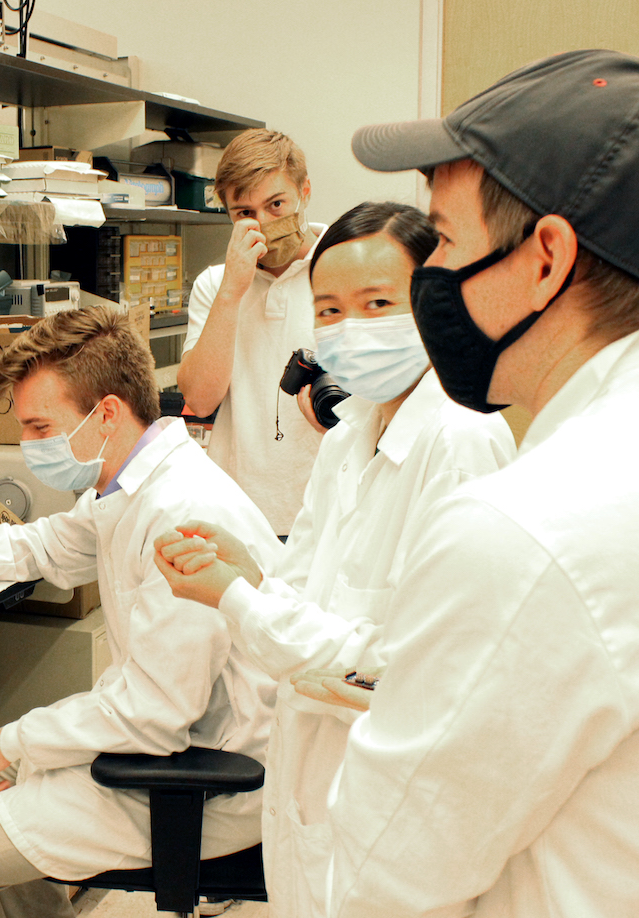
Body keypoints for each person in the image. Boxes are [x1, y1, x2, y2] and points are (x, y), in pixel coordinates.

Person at [308, 50, 639, 915]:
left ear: (547, 257)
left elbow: (382, 885)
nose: (432, 279)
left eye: (443, 239)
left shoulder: (524, 530)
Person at [151, 201, 516, 918]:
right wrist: (251, 573)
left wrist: (234, 597)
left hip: (396, 809)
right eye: (330, 311)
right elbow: (306, 588)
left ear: (431, 303)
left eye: (378, 304)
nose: (351, 329)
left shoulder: (462, 441)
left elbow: (402, 665)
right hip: (313, 792)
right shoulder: (348, 435)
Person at [0, 307, 279, 918]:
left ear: (105, 413)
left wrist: (5, 744)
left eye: (39, 427)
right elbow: (46, 543)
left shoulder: (181, 512)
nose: (31, 447)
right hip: (169, 744)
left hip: (203, 776)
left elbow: (152, 716)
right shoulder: (132, 482)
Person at [177, 129, 327, 535]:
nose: (263, 224)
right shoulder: (215, 284)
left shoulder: (342, 265)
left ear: (305, 192)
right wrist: (232, 291)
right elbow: (201, 399)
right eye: (244, 213)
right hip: (239, 509)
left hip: (327, 506)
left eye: (276, 204)